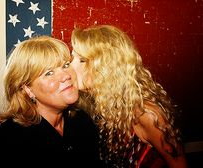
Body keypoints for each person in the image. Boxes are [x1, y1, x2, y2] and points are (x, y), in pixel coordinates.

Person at [70, 25, 188, 168]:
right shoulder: (100, 104)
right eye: (72, 58)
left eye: (82, 60)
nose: (71, 66)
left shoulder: (147, 114)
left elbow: (179, 164)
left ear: (106, 66)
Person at [0, 35, 102, 168]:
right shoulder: (9, 141)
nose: (66, 76)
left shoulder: (82, 120)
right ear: (27, 89)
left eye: (65, 65)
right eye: (49, 73)